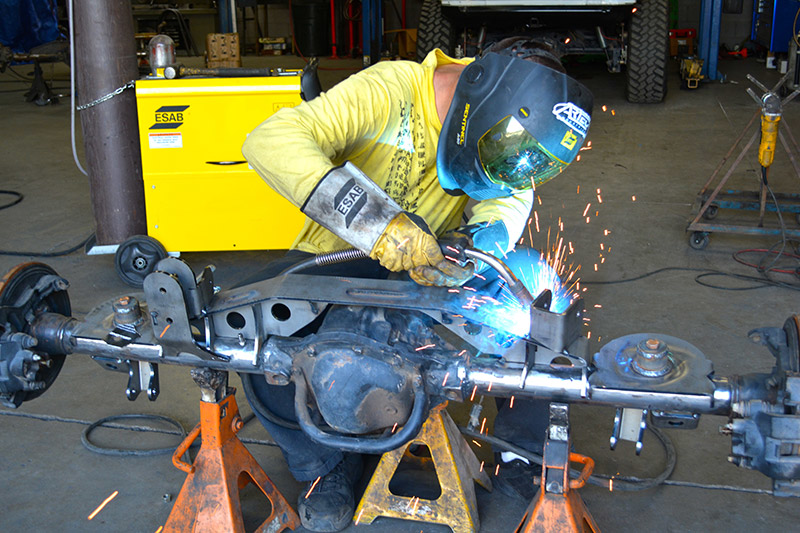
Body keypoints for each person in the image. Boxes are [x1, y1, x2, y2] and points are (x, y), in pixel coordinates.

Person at [241, 38, 593, 532]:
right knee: (257, 334)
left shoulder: (504, 133)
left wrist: (487, 236)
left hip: (431, 269)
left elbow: (511, 192)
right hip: (337, 260)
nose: (507, 161)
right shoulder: (389, 90)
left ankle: (521, 452)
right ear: (484, 94)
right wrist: (376, 225)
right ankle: (324, 468)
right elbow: (269, 141)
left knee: (540, 295)